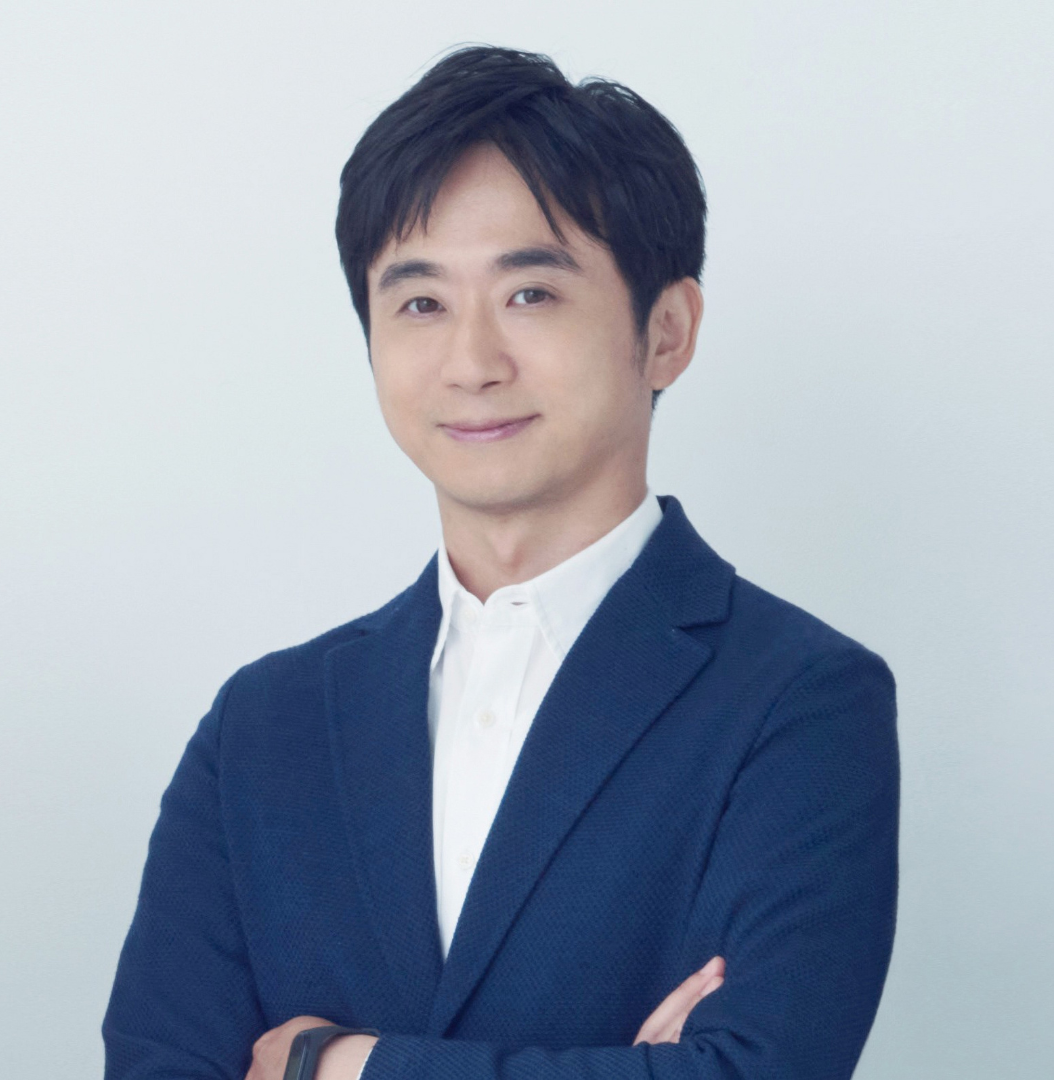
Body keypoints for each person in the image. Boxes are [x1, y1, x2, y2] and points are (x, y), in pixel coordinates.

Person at [103, 45, 899, 1080]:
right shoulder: (262, 728)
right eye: (421, 304)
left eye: (530, 294)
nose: (472, 362)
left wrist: (337, 1064)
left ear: (667, 332)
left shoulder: (798, 700)